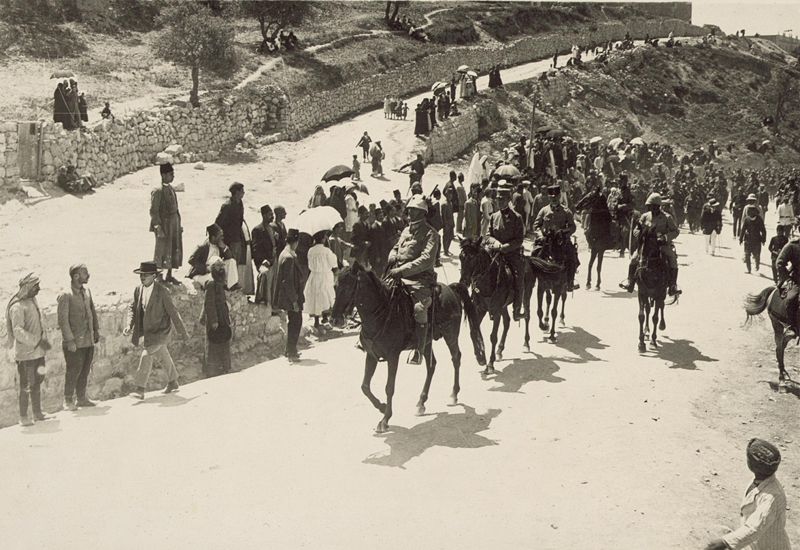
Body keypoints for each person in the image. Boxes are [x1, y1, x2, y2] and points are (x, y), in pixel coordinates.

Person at [704, 438, 790, 550]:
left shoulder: (772, 497)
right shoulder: (760, 480)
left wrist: (724, 542)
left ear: (752, 465)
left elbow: (754, 528)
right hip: (755, 543)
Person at [387, 195, 440, 365]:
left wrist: (402, 270)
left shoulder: (431, 234)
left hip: (419, 279)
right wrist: (392, 255)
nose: (409, 212)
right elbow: (396, 247)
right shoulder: (406, 230)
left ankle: (419, 349)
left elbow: (426, 260)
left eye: (414, 210)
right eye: (409, 209)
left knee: (419, 308)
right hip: (397, 274)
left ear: (423, 213)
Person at [124, 261, 189, 400]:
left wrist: (183, 332)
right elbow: (132, 308)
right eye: (141, 275)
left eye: (146, 275)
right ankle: (173, 381)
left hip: (161, 331)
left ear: (154, 276)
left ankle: (140, 389)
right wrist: (129, 325)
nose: (142, 277)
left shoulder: (162, 291)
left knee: (146, 354)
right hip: (148, 331)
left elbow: (173, 312)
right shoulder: (138, 290)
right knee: (162, 353)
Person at [6, 273, 51, 426]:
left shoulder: (32, 301)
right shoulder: (17, 307)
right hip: (26, 355)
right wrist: (36, 341)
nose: (39, 289)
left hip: (38, 352)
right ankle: (23, 416)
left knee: (37, 382)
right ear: (27, 287)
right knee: (25, 386)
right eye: (36, 286)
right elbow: (18, 331)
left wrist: (43, 344)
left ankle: (37, 413)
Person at [57, 264, 100, 411]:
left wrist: (96, 330)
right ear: (76, 276)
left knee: (85, 369)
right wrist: (69, 341)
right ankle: (68, 400)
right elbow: (63, 321)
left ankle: (81, 398)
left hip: (88, 340)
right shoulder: (65, 295)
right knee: (73, 370)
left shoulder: (87, 292)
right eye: (85, 273)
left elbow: (92, 312)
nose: (88, 275)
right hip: (74, 342)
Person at [619, 193, 681, 296]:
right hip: (646, 244)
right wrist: (638, 233)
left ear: (659, 206)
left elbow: (675, 231)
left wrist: (665, 237)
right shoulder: (645, 216)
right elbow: (637, 228)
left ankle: (672, 286)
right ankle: (630, 282)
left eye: (655, 206)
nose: (652, 208)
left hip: (662, 245)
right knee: (634, 258)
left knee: (672, 259)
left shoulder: (667, 217)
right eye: (650, 206)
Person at [485, 181, 526, 320]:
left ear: (508, 199)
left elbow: (519, 239)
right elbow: (488, 236)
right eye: (497, 198)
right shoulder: (494, 216)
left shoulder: (517, 217)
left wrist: (505, 247)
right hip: (494, 254)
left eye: (502, 199)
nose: (499, 201)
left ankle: (517, 309)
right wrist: (496, 243)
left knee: (519, 278)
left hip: (511, 256)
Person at [533, 184, 579, 291]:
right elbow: (536, 225)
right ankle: (532, 280)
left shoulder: (566, 211)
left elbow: (573, 227)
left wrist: (563, 232)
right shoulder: (544, 210)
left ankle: (570, 281)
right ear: (549, 197)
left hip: (561, 242)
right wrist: (540, 234)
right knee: (534, 255)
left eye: (556, 196)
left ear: (559, 196)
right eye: (551, 196)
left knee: (572, 257)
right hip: (545, 241)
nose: (553, 198)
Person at [150, 163, 183, 285]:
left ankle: (169, 275)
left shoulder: (171, 189)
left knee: (173, 248)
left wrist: (178, 225)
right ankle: (159, 277)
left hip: (174, 225)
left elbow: (176, 208)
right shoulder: (158, 191)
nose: (173, 176)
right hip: (164, 226)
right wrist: (158, 227)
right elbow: (154, 211)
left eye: (173, 174)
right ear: (163, 175)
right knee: (162, 250)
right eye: (170, 174)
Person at [274, 229, 304, 362]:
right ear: (295, 242)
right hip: (292, 296)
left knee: (293, 322)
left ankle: (290, 350)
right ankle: (292, 352)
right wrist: (294, 301)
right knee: (296, 322)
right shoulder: (289, 258)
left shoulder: (284, 254)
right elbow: (288, 282)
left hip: (290, 295)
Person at [199, 260, 231, 378]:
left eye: (222, 266)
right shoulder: (211, 284)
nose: (221, 268)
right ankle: (212, 371)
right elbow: (209, 304)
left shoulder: (220, 282)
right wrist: (213, 321)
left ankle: (223, 368)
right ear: (213, 268)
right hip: (215, 320)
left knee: (223, 343)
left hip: (222, 318)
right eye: (218, 266)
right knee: (213, 345)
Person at [215, 182, 248, 291]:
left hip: (237, 238)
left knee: (236, 262)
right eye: (242, 191)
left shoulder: (240, 203)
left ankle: (233, 283)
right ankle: (226, 285)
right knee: (229, 262)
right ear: (237, 192)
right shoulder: (227, 206)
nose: (243, 193)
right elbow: (218, 224)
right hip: (229, 240)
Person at [187, 224, 239, 290]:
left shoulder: (220, 245)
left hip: (215, 271)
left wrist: (224, 248)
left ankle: (232, 286)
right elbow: (191, 260)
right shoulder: (202, 247)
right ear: (213, 237)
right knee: (215, 279)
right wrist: (205, 269)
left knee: (232, 261)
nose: (222, 238)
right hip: (202, 275)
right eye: (220, 236)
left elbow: (230, 257)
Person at [304, 231, 338, 329]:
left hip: (314, 275)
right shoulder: (326, 251)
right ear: (323, 239)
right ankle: (325, 317)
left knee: (316, 297)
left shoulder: (310, 251)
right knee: (326, 296)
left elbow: (309, 264)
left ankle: (317, 321)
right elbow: (333, 264)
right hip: (325, 275)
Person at [251, 205, 277, 307]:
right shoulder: (257, 230)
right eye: (270, 215)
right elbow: (255, 249)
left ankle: (271, 307)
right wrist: (262, 262)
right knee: (264, 284)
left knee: (273, 285)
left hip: (273, 260)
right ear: (264, 215)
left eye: (272, 214)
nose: (272, 217)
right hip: (264, 262)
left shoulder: (272, 228)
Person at [740, 203, 766, 274]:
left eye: (752, 211)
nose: (751, 212)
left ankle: (757, 265)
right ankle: (749, 269)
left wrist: (763, 240)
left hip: (757, 240)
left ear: (755, 212)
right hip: (748, 240)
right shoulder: (747, 219)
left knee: (757, 254)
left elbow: (763, 230)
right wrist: (741, 239)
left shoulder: (759, 219)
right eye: (749, 211)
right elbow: (743, 230)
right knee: (747, 254)